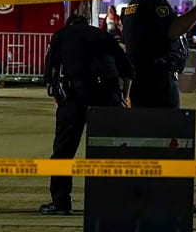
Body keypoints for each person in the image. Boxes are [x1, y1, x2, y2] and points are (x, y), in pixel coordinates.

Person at [39, 13, 133, 215]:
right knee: (110, 151)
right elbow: (127, 69)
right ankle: (111, 202)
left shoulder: (61, 36)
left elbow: (49, 72)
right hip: (107, 98)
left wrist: (57, 97)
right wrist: (123, 97)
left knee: (63, 152)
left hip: (74, 98)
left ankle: (61, 202)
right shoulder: (104, 36)